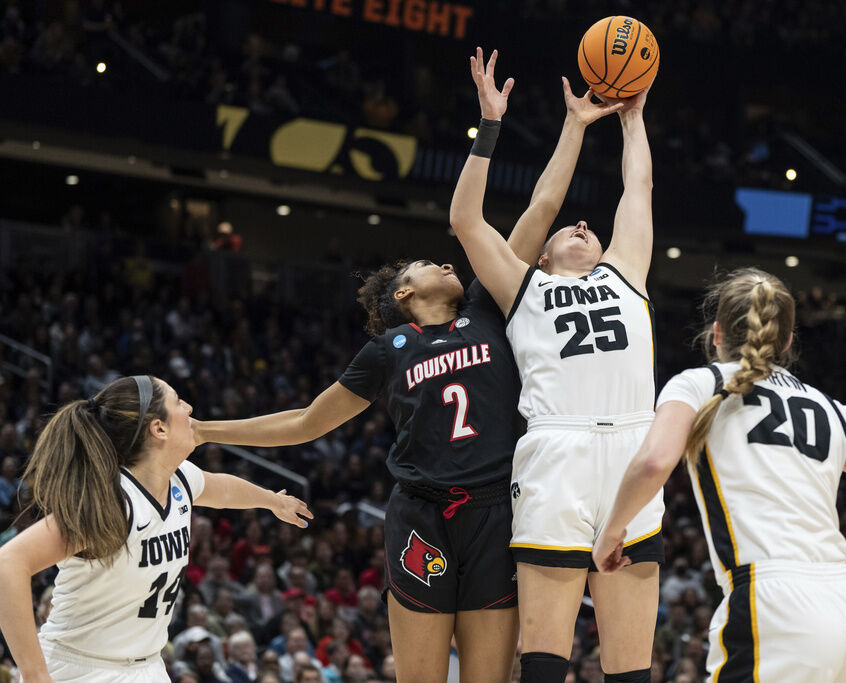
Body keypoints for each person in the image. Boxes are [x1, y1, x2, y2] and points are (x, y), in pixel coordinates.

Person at [193, 48, 620, 683]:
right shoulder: (386, 353)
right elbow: (306, 423)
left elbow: (539, 211)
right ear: (404, 294)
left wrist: (574, 127)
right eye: (427, 264)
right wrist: (204, 432)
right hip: (421, 513)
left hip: (497, 512)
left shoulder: (489, 306)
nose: (445, 262)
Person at [590, 268, 846, 682]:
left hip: (773, 604)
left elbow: (653, 463)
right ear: (786, 340)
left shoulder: (701, 383)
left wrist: (612, 530)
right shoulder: (831, 407)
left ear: (716, 334)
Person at [449, 47, 660, 682]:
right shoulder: (523, 289)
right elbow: (465, 219)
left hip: (632, 445)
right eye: (568, 228)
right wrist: (544, 126)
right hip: (556, 450)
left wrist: (631, 118)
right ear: (539, 256)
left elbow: (638, 186)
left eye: (589, 228)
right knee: (544, 660)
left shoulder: (627, 274)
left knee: (631, 669)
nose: (583, 225)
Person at [0, 375, 311, 683]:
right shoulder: (112, 503)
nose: (189, 408)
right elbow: (8, 562)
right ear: (158, 428)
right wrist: (35, 673)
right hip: (80, 667)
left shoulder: (180, 479)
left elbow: (224, 490)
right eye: (177, 401)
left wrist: (272, 501)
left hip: (146, 666)